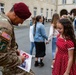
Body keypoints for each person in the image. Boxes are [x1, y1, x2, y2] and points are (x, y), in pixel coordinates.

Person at [0, 2, 35, 75]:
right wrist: (19, 59)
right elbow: (1, 58)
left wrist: (14, 50)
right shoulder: (5, 27)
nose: (22, 23)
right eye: (22, 19)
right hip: (7, 66)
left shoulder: (3, 19)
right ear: (15, 15)